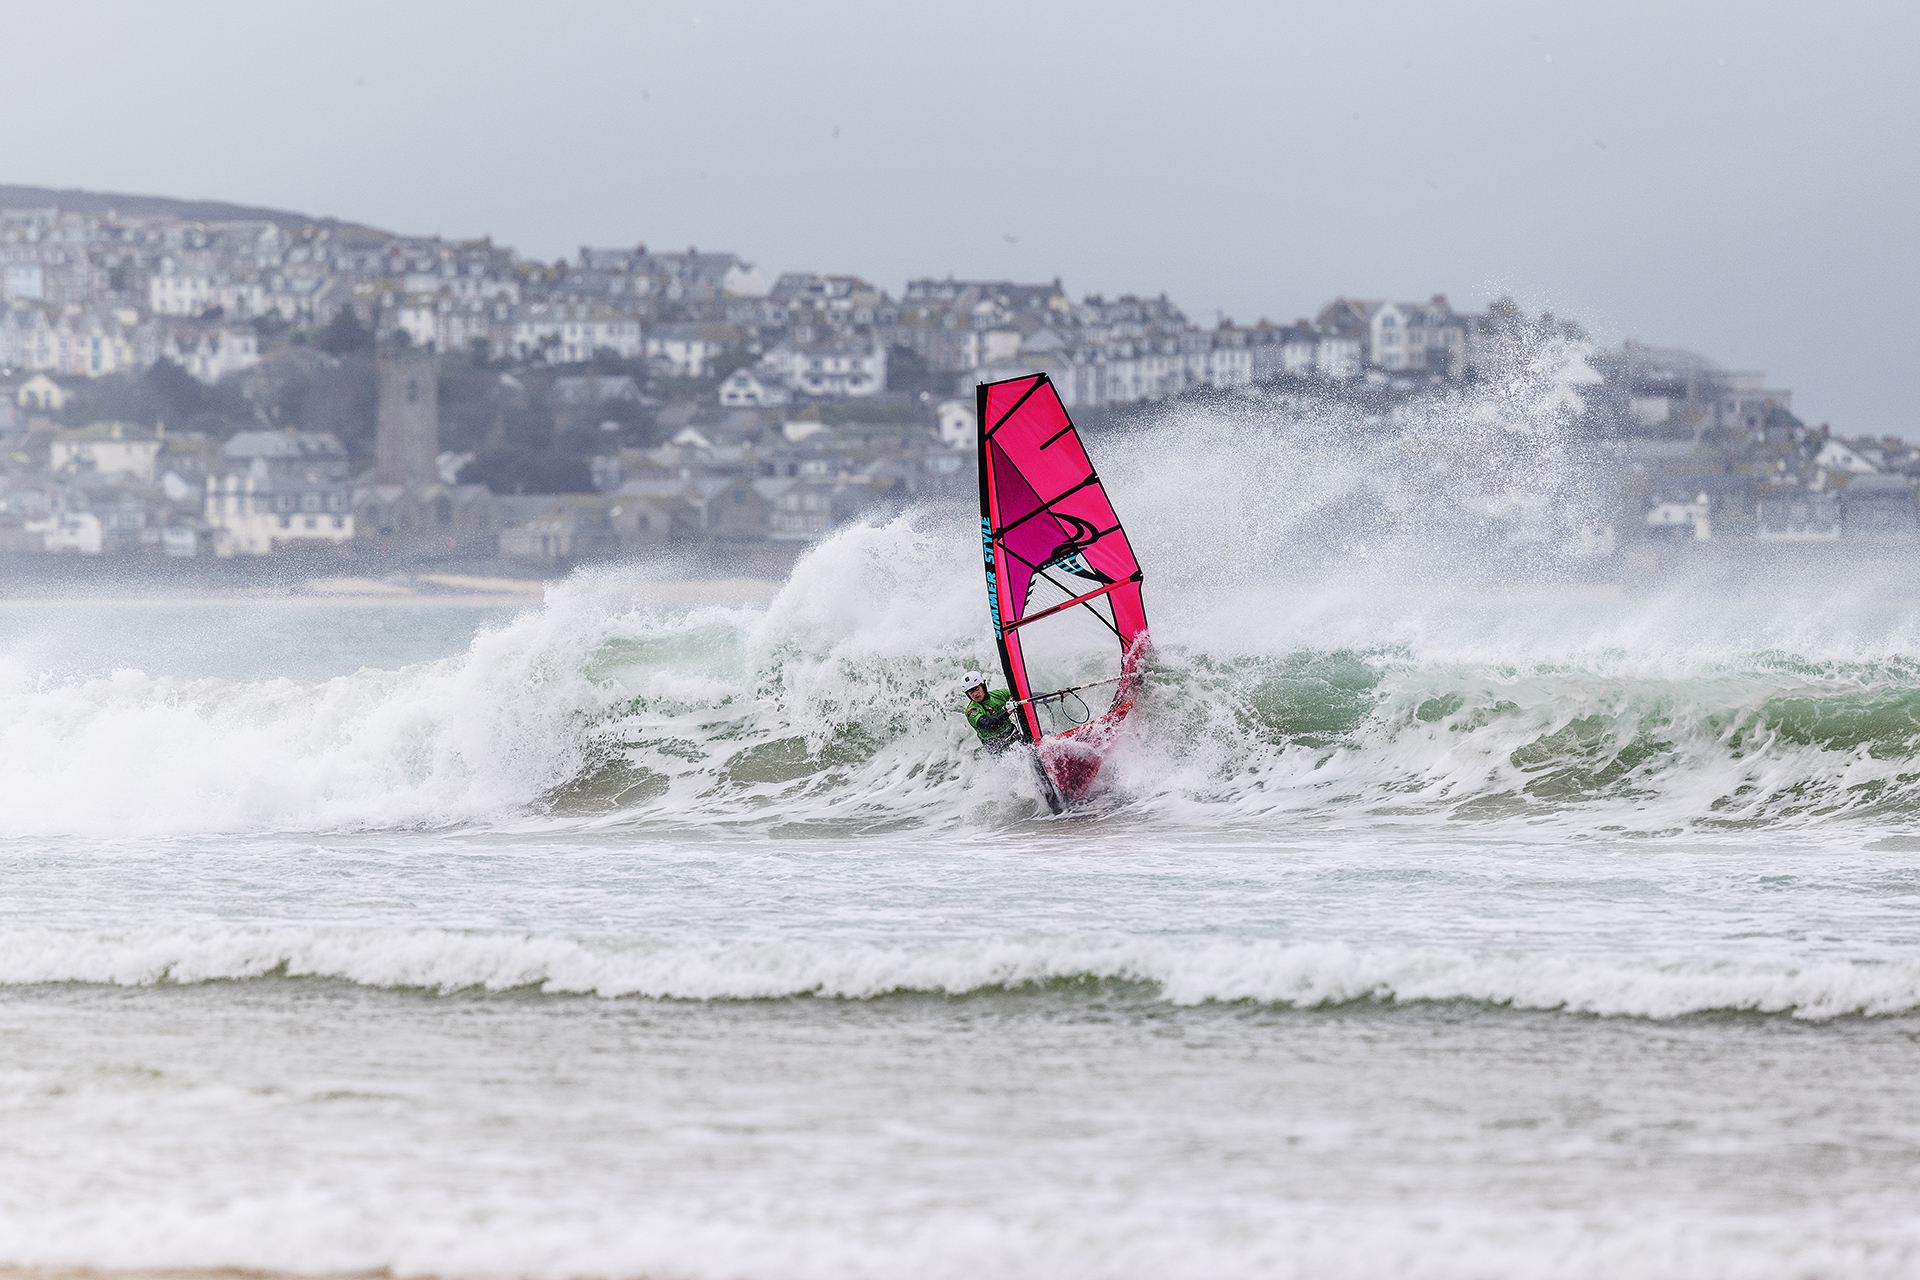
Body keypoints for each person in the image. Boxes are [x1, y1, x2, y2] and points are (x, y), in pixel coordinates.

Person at [961, 670, 1019, 752]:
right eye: (971, 692)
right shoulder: (971, 711)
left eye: (977, 689)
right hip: (999, 752)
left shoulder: (998, 695)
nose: (975, 694)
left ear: (983, 686)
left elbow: (1021, 694)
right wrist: (1008, 712)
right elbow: (991, 724)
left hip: (1015, 738)